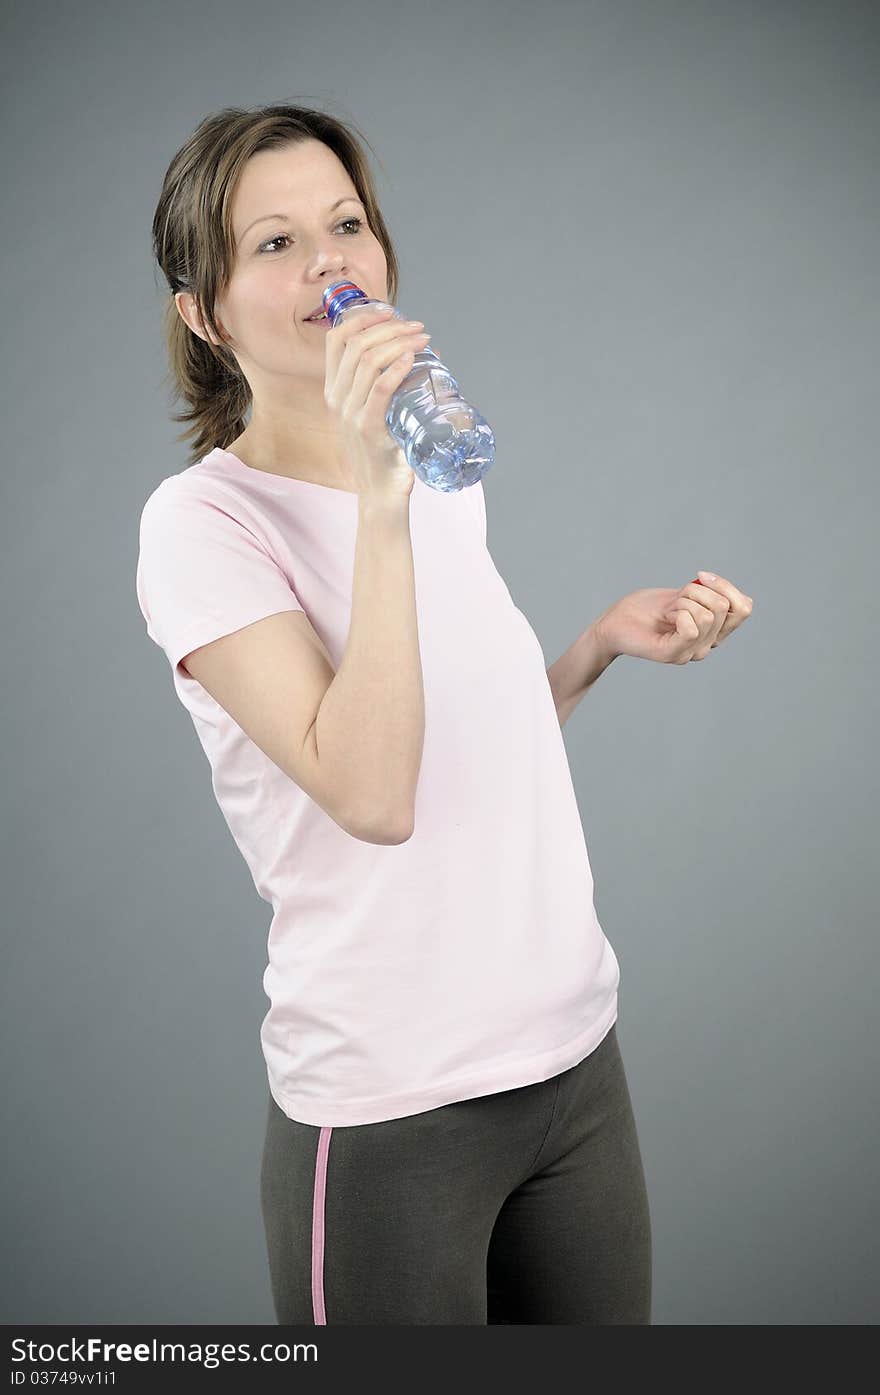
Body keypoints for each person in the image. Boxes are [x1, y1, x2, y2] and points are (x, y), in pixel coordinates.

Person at [136, 102, 652, 1324]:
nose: (328, 264)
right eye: (272, 244)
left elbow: (458, 754)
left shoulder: (431, 460)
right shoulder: (202, 528)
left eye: (346, 224)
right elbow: (369, 794)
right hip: (390, 1112)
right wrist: (377, 498)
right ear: (202, 315)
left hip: (573, 1065)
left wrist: (593, 650)